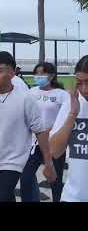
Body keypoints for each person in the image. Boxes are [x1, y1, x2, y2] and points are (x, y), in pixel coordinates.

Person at [0, 52, 56, 202]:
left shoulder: (25, 99)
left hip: (14, 161)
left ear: (12, 72)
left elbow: (40, 132)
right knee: (7, 198)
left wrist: (48, 162)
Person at [20, 62, 70, 202]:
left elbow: (65, 118)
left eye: (42, 74)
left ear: (52, 75)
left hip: (53, 143)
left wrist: (51, 130)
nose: (38, 76)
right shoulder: (31, 92)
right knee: (25, 177)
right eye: (36, 73)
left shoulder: (62, 95)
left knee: (55, 180)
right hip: (34, 144)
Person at [50, 55, 88, 202]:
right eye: (79, 83)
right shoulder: (72, 103)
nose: (84, 89)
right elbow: (55, 150)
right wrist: (72, 114)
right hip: (74, 196)